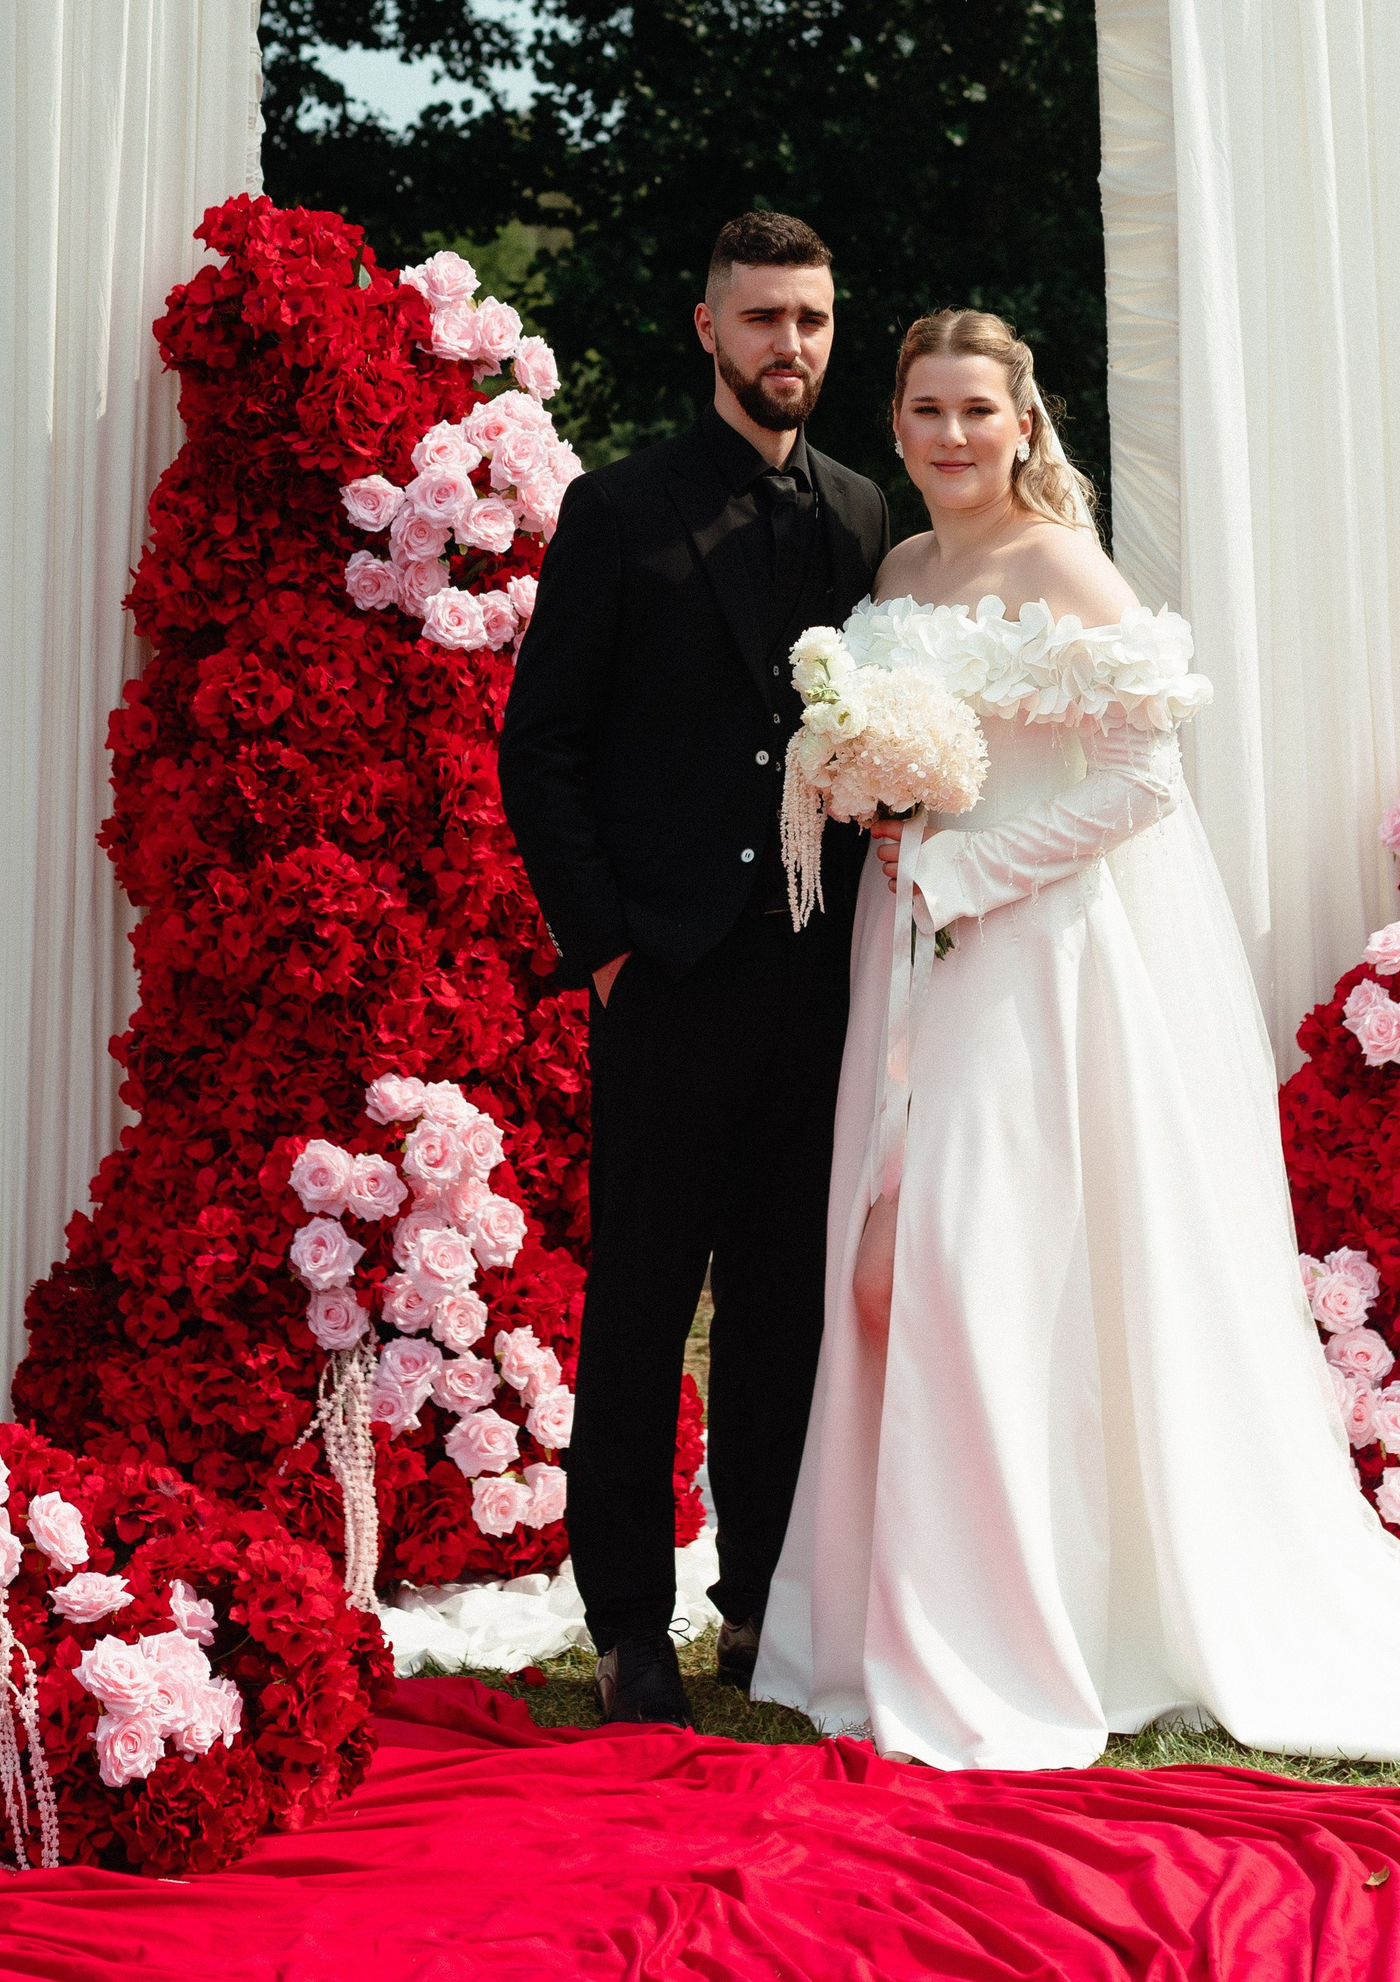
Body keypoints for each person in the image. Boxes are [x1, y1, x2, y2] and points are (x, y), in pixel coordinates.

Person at [755, 307, 1400, 1768]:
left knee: (973, 1258)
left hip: (1030, 954)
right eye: (927, 409)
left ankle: (1024, 1622)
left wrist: (970, 867)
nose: (952, 435)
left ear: (1023, 422)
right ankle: (912, 1601)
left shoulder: (1066, 567)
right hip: (912, 942)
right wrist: (881, 804)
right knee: (886, 1260)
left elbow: (1141, 778)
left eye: (978, 410)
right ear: (896, 422)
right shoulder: (898, 569)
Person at [499, 211, 891, 1726]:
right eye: (763, 316)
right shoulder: (618, 508)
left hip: (821, 980)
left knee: (785, 1313)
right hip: (663, 975)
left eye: (811, 318)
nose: (790, 343)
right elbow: (542, 748)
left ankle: (761, 1602)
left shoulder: (866, 513)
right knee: (643, 1306)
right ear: (708, 327)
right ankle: (625, 1622)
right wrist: (606, 948)